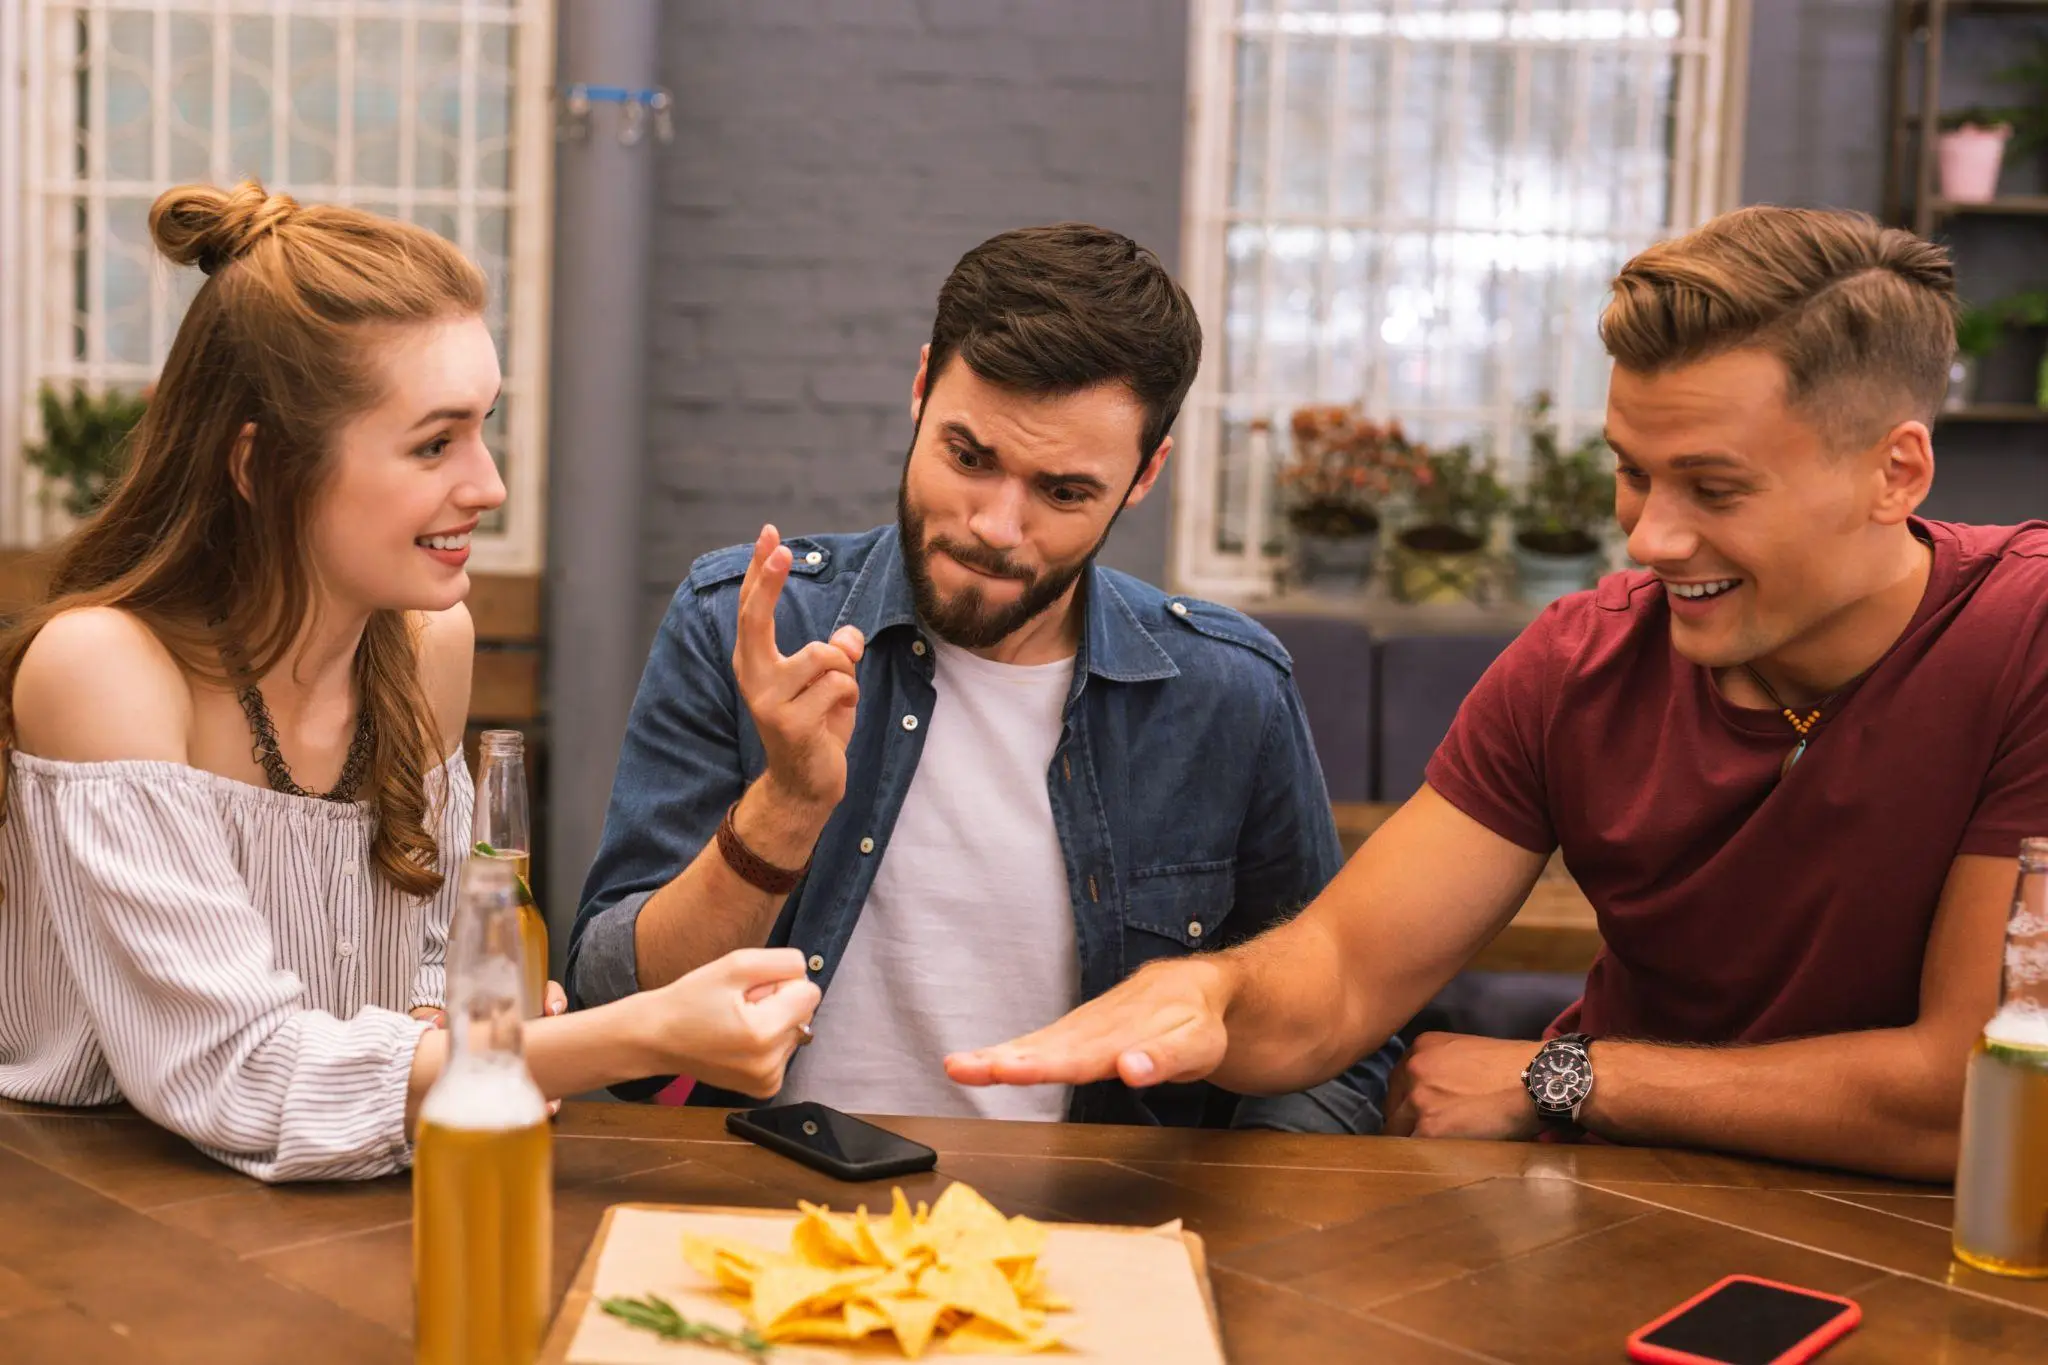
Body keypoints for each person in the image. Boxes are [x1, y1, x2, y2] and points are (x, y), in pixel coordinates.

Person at [947, 206, 2046, 1182]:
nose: (1648, 537)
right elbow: (1339, 970)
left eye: (1713, 488)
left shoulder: (2021, 637)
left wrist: (1564, 1078)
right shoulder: (1579, 662)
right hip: (1609, 1221)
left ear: (1894, 472)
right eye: (1629, 470)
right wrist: (1212, 995)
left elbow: (1973, 1093)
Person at [0, 181, 819, 1182]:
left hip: (360, 1209)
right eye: (435, 442)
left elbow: (427, 962)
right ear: (259, 465)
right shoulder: (104, 670)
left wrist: (464, 1018)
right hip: (90, 1221)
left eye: (484, 426)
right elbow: (234, 1068)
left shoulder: (429, 644)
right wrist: (634, 1035)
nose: (488, 484)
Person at [567, 223, 1400, 1132]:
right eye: (969, 457)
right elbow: (616, 1012)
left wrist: (1228, 1248)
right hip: (779, 1226)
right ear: (922, 389)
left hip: (1099, 1243)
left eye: (1063, 491)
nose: (998, 526)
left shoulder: (1228, 695)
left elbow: (1331, 1055)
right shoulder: (752, 623)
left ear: (1144, 475)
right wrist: (788, 806)